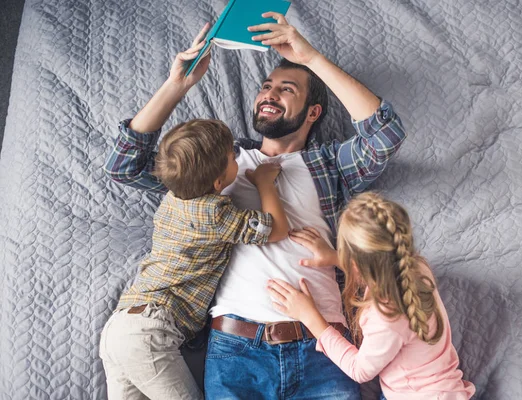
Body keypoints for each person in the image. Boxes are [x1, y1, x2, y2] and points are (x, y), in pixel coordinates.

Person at [104, 12, 406, 399]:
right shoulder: (220, 163)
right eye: (266, 86)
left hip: (322, 344)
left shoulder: (328, 165)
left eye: (287, 89)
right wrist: (176, 86)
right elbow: (124, 167)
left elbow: (386, 135)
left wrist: (311, 58)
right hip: (236, 349)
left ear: (313, 112)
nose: (269, 94)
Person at [99, 119, 289, 399]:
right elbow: (276, 229)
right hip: (151, 330)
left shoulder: (172, 199)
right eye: (232, 156)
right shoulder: (216, 213)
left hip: (119, 326)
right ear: (218, 182)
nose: (237, 156)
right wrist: (264, 183)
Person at [267, 192, 476, 400]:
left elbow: (359, 370)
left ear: (356, 264)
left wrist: (311, 317)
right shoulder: (416, 267)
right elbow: (379, 266)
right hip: (447, 391)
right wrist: (335, 257)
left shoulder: (386, 317)